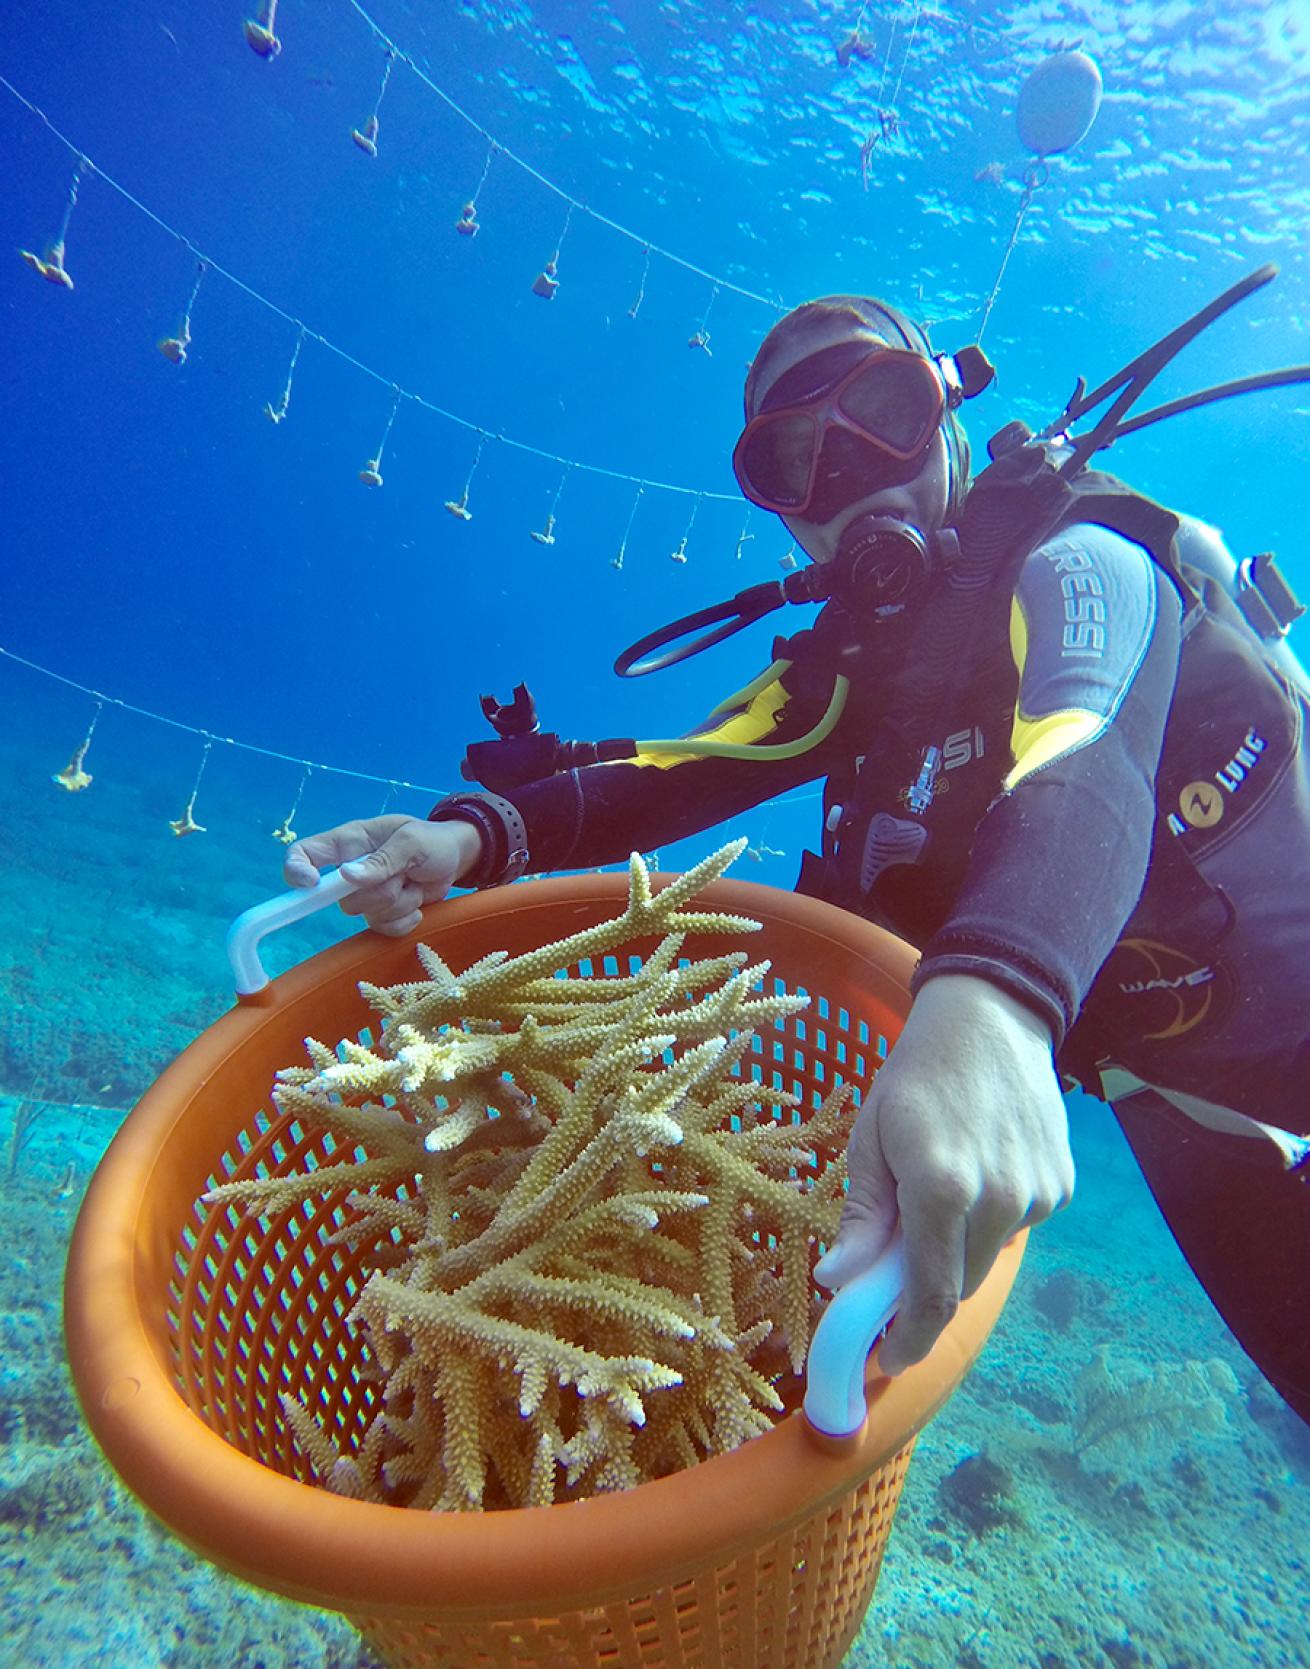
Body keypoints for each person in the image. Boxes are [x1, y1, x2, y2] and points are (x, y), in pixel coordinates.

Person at [286, 290, 1310, 1426]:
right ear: (778, 509)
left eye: (884, 410)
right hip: (1168, 1080)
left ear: (951, 414)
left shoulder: (1079, 555)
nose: (851, 477)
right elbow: (685, 762)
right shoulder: (860, 662)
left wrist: (997, 1003)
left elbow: (1087, 741)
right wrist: (467, 837)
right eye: (793, 461)